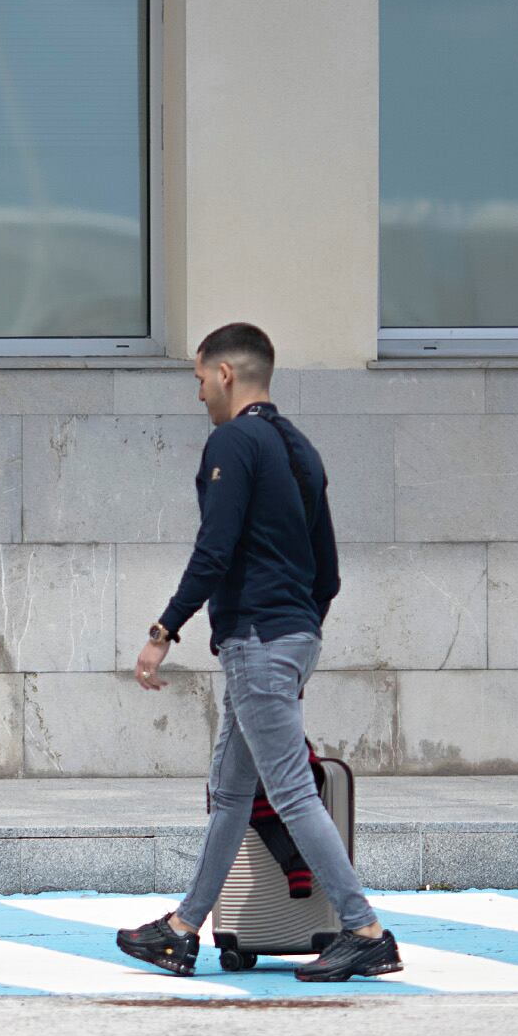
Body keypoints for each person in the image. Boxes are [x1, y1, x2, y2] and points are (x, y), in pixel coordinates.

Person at [118, 323, 395, 982]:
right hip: (289, 636)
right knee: (233, 792)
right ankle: (183, 931)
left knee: (293, 793)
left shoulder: (234, 442)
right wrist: (301, 634)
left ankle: (365, 929)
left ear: (225, 374)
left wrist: (163, 632)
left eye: (198, 380)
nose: (198, 395)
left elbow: (214, 549)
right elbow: (327, 572)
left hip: (259, 639)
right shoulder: (299, 448)